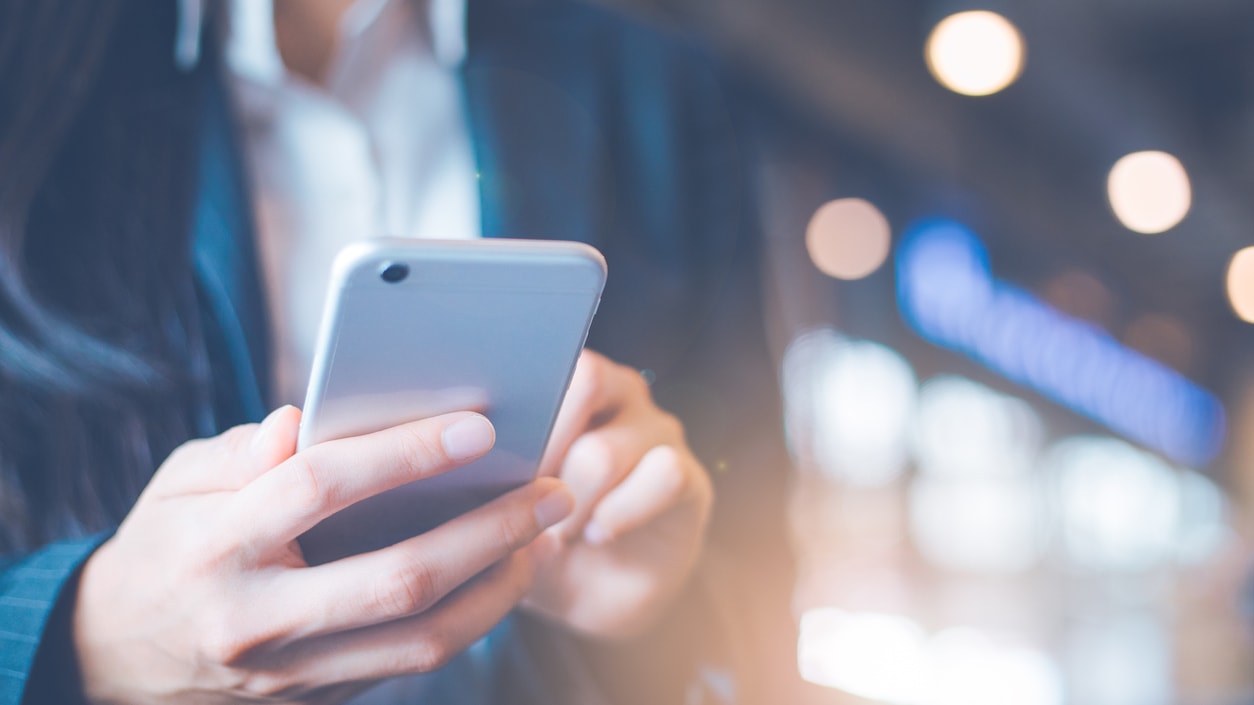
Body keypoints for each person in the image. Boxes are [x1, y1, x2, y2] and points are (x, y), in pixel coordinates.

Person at [0, 0, 797, 703]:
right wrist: (85, 640)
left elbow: (760, 547)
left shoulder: (657, 87)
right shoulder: (31, 56)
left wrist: (662, 617)